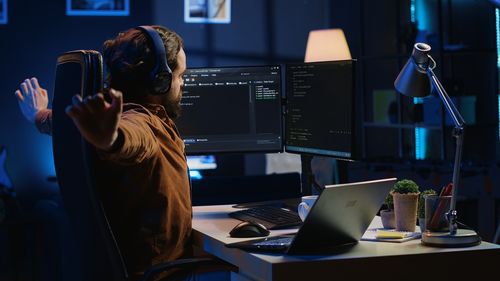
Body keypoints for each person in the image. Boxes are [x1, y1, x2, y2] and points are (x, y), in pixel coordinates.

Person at [15, 25, 205, 281]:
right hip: (162, 274)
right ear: (160, 79)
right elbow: (132, 139)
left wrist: (37, 115)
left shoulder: (107, 113)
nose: (182, 83)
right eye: (180, 75)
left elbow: (62, 121)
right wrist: (111, 139)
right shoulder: (143, 123)